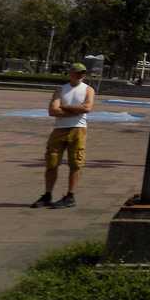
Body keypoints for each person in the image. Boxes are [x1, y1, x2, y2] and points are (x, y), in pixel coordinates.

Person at [30, 62, 95, 209]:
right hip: (59, 129)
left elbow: (87, 108)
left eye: (83, 73)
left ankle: (70, 196)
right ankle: (47, 194)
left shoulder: (88, 89)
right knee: (51, 162)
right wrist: (76, 110)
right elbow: (52, 111)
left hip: (78, 129)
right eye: (78, 72)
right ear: (70, 73)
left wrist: (63, 107)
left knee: (76, 163)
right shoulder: (60, 89)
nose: (81, 75)